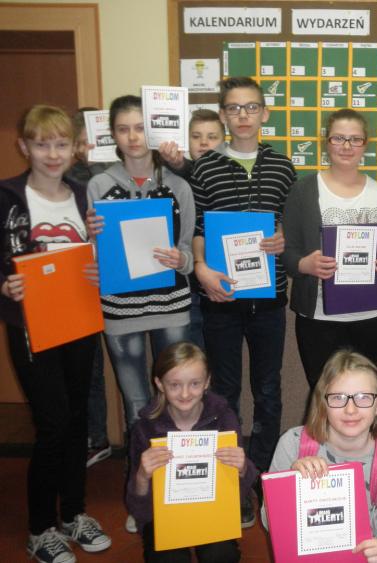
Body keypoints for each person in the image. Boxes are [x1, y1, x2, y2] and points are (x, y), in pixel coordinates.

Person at [1, 105, 111, 563]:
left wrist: (100, 261)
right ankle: (40, 528)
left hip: (79, 321)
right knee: (53, 425)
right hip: (32, 327)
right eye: (42, 144)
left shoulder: (84, 195)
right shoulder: (8, 196)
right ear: (24, 147)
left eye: (61, 144)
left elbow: (96, 257)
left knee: (79, 420)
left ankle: (74, 514)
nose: (52, 154)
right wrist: (4, 284)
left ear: (75, 148)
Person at [189, 77, 295, 480]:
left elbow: (289, 226)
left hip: (269, 298)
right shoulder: (204, 167)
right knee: (224, 391)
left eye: (251, 107)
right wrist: (200, 268)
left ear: (264, 113)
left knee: (268, 389)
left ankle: (262, 472)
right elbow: (198, 228)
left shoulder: (283, 167)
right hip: (221, 297)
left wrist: (283, 238)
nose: (243, 115)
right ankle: (228, 475)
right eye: (234, 108)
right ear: (223, 115)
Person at [87, 95, 195, 430]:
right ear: (113, 136)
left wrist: (181, 259)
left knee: (178, 394)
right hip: (121, 306)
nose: (133, 137)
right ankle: (141, 459)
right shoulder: (99, 185)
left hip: (171, 302)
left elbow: (188, 252)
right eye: (123, 129)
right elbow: (94, 254)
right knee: (135, 399)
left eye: (140, 128)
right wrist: (90, 236)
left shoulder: (178, 186)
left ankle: (175, 459)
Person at [282, 108, 377, 388]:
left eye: (355, 139)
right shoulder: (303, 191)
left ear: (365, 144)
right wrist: (304, 264)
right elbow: (287, 252)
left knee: (362, 394)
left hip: (372, 316)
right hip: (319, 316)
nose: (346, 146)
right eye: (338, 138)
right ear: (326, 142)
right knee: (323, 395)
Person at [263, 350, 377, 563]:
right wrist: (289, 485)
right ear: (323, 402)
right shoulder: (292, 444)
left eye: (363, 397)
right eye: (338, 397)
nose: (350, 409)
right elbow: (269, 520)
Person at [126, 341, 256, 562]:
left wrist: (243, 468)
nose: (185, 393)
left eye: (194, 383)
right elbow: (139, 511)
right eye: (174, 385)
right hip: (165, 516)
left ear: (207, 382)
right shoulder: (145, 428)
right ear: (159, 384)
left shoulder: (224, 419)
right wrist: (141, 477)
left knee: (221, 556)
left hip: (212, 512)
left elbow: (238, 495)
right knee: (168, 559)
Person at [69, 106, 114, 467]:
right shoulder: (66, 180)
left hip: (117, 282)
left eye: (96, 140)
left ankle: (97, 435)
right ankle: (93, 436)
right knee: (88, 365)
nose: (89, 148)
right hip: (80, 282)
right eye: (82, 141)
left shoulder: (116, 175)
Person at [159, 109, 225, 349]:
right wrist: (177, 163)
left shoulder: (228, 176)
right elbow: (189, 170)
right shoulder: (178, 174)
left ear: (224, 141)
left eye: (212, 137)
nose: (204, 142)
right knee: (193, 343)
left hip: (219, 277)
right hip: (188, 281)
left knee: (219, 347)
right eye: (196, 136)